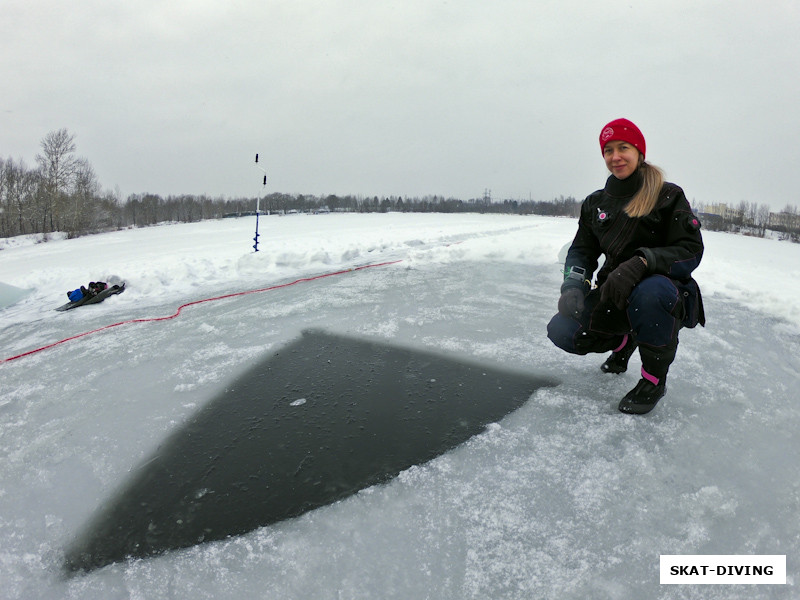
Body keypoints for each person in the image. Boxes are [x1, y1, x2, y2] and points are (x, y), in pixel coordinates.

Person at [547, 118, 705, 415]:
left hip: (660, 289)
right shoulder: (596, 203)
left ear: (639, 152)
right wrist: (573, 285)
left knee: (650, 294)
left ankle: (653, 380)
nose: (615, 156)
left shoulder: (668, 196)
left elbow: (691, 249)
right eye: (608, 150)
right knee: (562, 330)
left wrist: (643, 261)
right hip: (614, 292)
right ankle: (624, 339)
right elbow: (582, 250)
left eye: (623, 148)